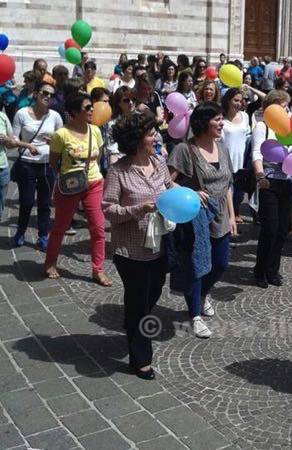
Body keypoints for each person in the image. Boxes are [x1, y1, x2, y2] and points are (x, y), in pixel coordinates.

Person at [102, 111, 173, 380]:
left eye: (155, 132)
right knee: (139, 304)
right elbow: (108, 209)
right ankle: (140, 358)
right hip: (130, 250)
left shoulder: (159, 163)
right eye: (150, 133)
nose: (156, 137)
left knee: (152, 293)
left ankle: (133, 323)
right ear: (135, 139)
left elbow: (169, 187)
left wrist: (187, 194)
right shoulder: (119, 171)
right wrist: (138, 209)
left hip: (159, 244)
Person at [168, 102, 236, 338]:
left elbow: (227, 183)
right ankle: (194, 315)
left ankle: (203, 295)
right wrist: (191, 193)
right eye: (216, 119)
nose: (221, 123)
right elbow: (166, 181)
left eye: (221, 118)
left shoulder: (223, 148)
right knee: (196, 266)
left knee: (220, 264)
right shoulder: (184, 150)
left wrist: (232, 214)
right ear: (202, 122)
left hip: (221, 215)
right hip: (196, 216)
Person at [45, 91, 112, 286]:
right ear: (74, 112)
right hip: (69, 186)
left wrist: (89, 173)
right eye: (87, 108)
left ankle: (97, 269)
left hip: (94, 184)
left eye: (92, 106)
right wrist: (70, 175)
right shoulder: (61, 134)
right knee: (60, 226)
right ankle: (50, 262)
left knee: (98, 228)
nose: (92, 110)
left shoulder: (95, 131)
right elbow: (54, 163)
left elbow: (98, 156)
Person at [251, 90, 292, 288]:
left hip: (288, 182)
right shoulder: (262, 127)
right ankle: (260, 270)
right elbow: (256, 153)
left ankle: (273, 270)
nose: (286, 111)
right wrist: (260, 176)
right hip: (269, 182)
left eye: (287, 107)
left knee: (282, 230)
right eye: (282, 107)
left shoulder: (290, 129)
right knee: (270, 228)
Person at [11, 81, 63, 249]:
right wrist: (28, 146)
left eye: (51, 95)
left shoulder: (55, 116)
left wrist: (53, 140)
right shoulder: (21, 114)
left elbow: (63, 140)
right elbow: (13, 140)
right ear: (35, 94)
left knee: (45, 203)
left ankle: (42, 236)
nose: (48, 97)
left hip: (47, 165)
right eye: (44, 93)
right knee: (26, 202)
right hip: (27, 164)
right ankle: (20, 231)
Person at [220, 88, 250, 223]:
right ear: (228, 100)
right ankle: (228, 221)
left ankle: (235, 215)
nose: (238, 103)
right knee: (227, 193)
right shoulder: (221, 119)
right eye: (235, 100)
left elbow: (248, 136)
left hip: (242, 162)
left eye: (240, 101)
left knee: (239, 194)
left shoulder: (245, 116)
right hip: (226, 161)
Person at [105, 86, 135, 165]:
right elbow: (113, 149)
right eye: (126, 100)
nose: (131, 102)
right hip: (121, 161)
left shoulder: (141, 118)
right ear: (118, 103)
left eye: (133, 99)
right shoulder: (113, 124)